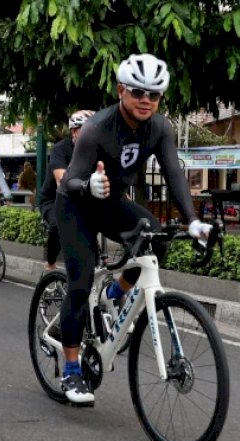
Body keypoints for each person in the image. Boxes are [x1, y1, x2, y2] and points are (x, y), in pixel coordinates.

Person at [55, 54, 212, 404]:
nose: (146, 100)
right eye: (138, 92)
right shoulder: (97, 127)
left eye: (154, 95)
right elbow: (69, 181)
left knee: (156, 238)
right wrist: (89, 184)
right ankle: (71, 371)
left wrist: (193, 221)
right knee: (79, 286)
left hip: (111, 203)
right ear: (121, 90)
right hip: (76, 206)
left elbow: (173, 174)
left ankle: (114, 293)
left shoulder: (161, 128)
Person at [39, 110, 95, 271]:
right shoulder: (61, 149)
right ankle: (50, 265)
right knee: (58, 223)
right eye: (85, 130)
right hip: (54, 199)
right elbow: (62, 181)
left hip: (84, 199)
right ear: (74, 131)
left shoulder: (97, 151)